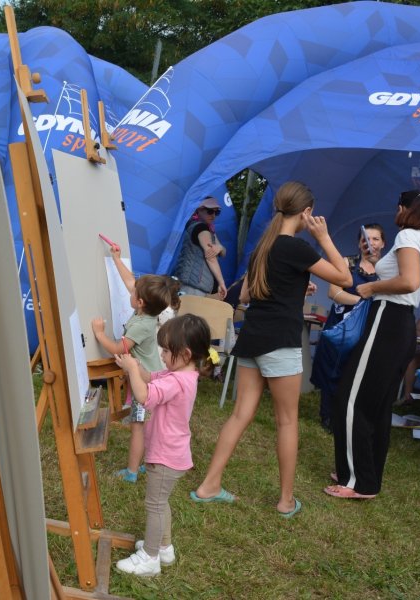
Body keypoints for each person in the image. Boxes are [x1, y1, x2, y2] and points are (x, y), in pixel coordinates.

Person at [191, 181, 351, 516]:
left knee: (240, 415)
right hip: (281, 341)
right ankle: (285, 501)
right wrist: (323, 238)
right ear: (306, 212)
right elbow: (345, 278)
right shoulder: (298, 247)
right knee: (287, 422)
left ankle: (209, 485)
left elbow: (247, 296)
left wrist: (294, 286)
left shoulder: (263, 247)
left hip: (253, 337)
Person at [326, 189, 420, 500]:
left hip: (386, 320)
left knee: (351, 399)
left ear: (403, 208)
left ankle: (355, 480)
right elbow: (408, 277)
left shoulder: (406, 237)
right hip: (402, 325)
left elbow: (409, 281)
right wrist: (380, 265)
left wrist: (370, 286)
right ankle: (366, 476)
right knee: (377, 406)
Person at [113, 314, 211, 576]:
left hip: (165, 456)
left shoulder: (175, 381)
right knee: (161, 502)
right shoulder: (180, 374)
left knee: (154, 505)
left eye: (167, 350)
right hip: (172, 453)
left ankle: (150, 557)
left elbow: (144, 396)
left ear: (186, 353)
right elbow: (149, 376)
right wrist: (132, 366)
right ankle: (164, 547)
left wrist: (133, 370)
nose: (163, 354)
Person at [92, 263, 179, 483]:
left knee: (138, 427)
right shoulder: (144, 310)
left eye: (133, 293)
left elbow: (118, 349)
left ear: (140, 302)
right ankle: (145, 462)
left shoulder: (142, 324)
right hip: (148, 377)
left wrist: (100, 334)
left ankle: (132, 471)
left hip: (147, 384)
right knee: (147, 426)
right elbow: (132, 282)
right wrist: (117, 259)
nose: (130, 291)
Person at [310, 223, 386, 432]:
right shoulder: (347, 263)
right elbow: (333, 292)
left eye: (374, 239)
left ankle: (349, 416)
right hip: (343, 323)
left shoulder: (387, 270)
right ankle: (327, 415)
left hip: (368, 327)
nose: (368, 242)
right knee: (333, 368)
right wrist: (363, 303)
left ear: (383, 243)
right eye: (364, 238)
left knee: (357, 372)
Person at [172, 196, 227, 300]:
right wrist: (222, 283)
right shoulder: (201, 228)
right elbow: (211, 257)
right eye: (210, 211)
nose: (214, 215)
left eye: (217, 212)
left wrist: (219, 247)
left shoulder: (208, 229)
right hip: (193, 287)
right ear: (199, 210)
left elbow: (223, 252)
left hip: (193, 285)